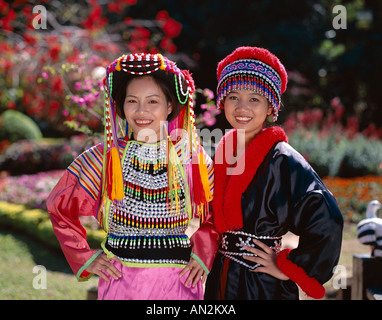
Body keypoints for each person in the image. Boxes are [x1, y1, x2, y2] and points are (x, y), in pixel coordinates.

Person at [47, 53, 215, 300]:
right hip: (121, 281)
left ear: (170, 106)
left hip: (177, 284)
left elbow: (218, 213)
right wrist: (85, 256)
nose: (141, 111)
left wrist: (203, 253)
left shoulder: (191, 158)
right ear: (122, 106)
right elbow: (59, 206)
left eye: (153, 101)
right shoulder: (106, 158)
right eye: (132, 101)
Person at [203, 46, 343, 300]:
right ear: (222, 102)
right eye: (233, 97)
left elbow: (327, 218)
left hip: (261, 283)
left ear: (271, 107)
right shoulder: (223, 151)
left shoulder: (283, 158)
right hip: (222, 274)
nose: (242, 107)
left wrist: (290, 268)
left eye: (254, 99)